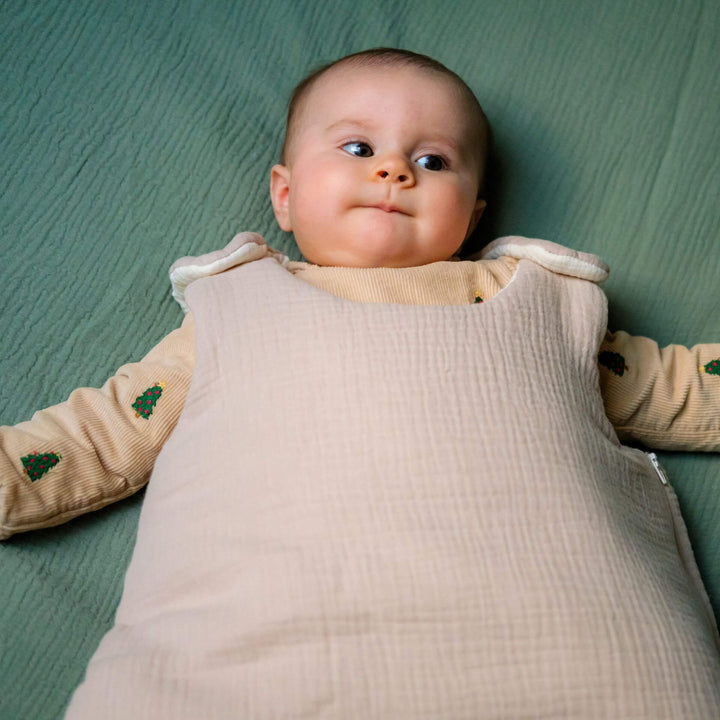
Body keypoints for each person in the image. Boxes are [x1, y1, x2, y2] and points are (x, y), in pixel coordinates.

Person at [2, 48, 720, 717]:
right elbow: (100, 433)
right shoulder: (234, 309)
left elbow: (685, 387)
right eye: (357, 148)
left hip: (576, 655)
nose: (394, 171)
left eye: (433, 160)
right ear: (283, 195)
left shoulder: (541, 309)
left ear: (471, 219)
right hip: (253, 655)